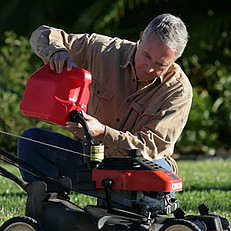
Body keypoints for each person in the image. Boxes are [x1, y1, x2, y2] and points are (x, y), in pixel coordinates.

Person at [18, 13, 192, 190]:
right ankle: (52, 207)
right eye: (146, 56)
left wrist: (102, 132)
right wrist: (57, 51)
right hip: (89, 158)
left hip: (139, 167)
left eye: (160, 64)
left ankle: (132, 213)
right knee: (31, 142)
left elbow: (151, 147)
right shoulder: (102, 50)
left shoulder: (179, 90)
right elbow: (42, 34)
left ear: (174, 59)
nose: (149, 68)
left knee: (160, 177)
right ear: (140, 39)